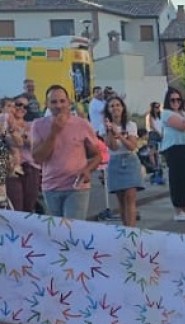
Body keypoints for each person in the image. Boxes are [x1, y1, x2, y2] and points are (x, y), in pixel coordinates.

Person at [30, 84, 102, 220]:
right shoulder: (38, 125)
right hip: (51, 186)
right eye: (54, 102)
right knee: (58, 232)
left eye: (62, 101)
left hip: (77, 186)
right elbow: (38, 158)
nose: (59, 105)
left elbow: (97, 155)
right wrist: (54, 132)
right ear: (46, 104)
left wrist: (88, 169)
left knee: (72, 230)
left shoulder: (82, 124)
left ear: (69, 103)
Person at [160, 87, 185, 222]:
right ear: (168, 101)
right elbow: (183, 126)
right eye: (173, 100)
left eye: (178, 99)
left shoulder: (184, 113)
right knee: (178, 179)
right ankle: (178, 210)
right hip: (175, 148)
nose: (176, 102)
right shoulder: (166, 113)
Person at [103, 94, 144, 227]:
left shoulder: (130, 125)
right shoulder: (103, 126)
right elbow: (113, 147)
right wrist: (110, 131)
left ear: (123, 108)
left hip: (129, 160)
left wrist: (119, 135)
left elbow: (132, 146)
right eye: (112, 106)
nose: (115, 108)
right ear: (108, 109)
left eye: (118, 105)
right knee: (121, 199)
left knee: (130, 196)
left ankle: (132, 230)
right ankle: (125, 229)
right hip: (115, 161)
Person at [3, 94, 40, 211]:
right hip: (12, 169)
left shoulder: (31, 125)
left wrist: (17, 134)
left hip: (31, 168)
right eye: (18, 104)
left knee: (29, 207)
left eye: (26, 107)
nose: (22, 108)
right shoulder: (4, 122)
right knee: (16, 207)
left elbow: (32, 143)